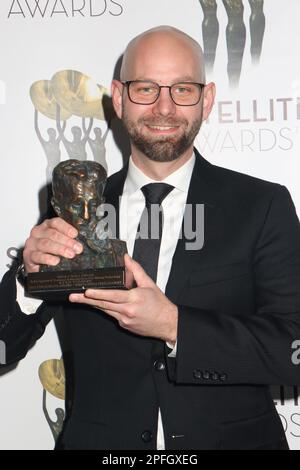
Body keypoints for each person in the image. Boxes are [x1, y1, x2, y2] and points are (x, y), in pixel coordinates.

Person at [1, 25, 300, 450]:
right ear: (120, 98)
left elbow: (293, 350)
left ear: (207, 99)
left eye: (182, 89)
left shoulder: (261, 205)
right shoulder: (74, 206)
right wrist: (26, 283)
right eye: (146, 88)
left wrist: (177, 327)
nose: (164, 107)